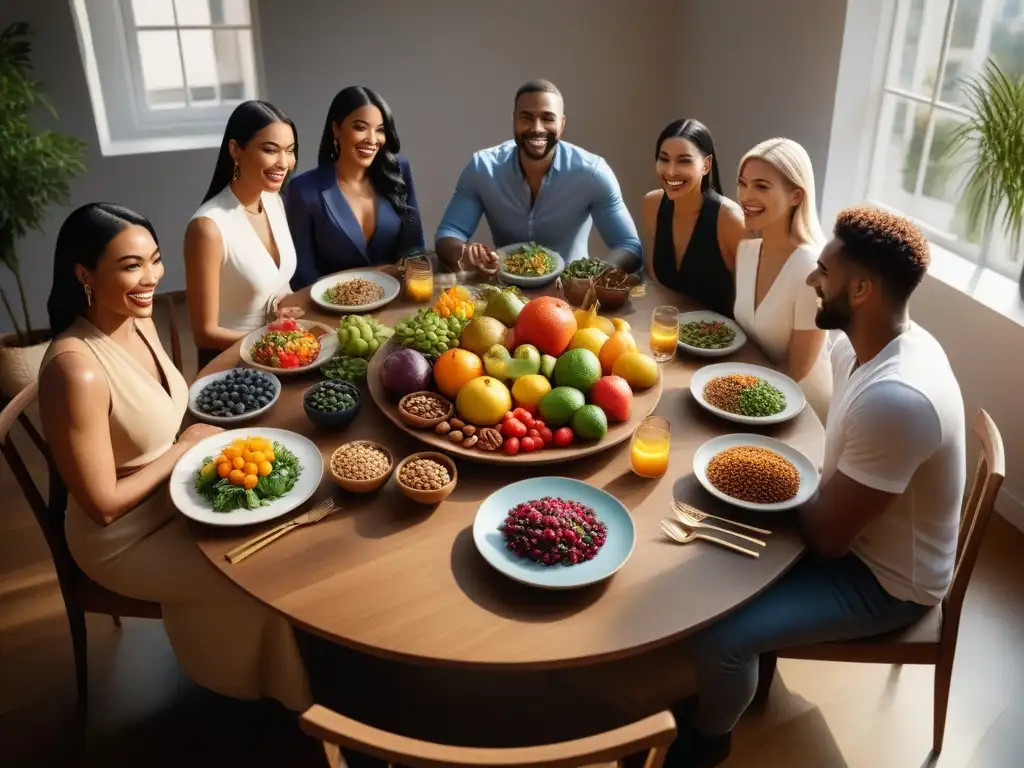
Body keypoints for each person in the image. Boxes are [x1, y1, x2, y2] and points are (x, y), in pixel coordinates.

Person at [673, 207, 966, 767]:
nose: (811, 278)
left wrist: (758, 483)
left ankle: (708, 739)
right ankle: (734, 682)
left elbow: (829, 540)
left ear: (860, 289)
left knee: (717, 634)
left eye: (823, 273)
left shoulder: (898, 398)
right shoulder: (873, 342)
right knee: (709, 558)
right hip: (854, 532)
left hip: (884, 581)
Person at [39, 203, 311, 712]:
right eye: (130, 265)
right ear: (85, 275)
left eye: (155, 260)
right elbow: (102, 505)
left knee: (284, 532)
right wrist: (186, 449)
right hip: (120, 538)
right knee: (248, 575)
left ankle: (295, 663)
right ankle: (274, 693)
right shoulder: (76, 371)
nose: (151, 278)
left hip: (175, 488)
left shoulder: (132, 319)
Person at [434, 79, 641, 275]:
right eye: (526, 118)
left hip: (570, 293)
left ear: (562, 123)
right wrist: (464, 254)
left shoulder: (593, 173)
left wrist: (595, 276)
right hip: (504, 290)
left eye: (547, 118)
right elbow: (448, 233)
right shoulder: (482, 168)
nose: (537, 128)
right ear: (513, 120)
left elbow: (629, 246)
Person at [185, 100, 300, 371]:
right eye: (270, 150)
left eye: (290, 151)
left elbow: (278, 286)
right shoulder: (208, 227)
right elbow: (204, 334)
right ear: (236, 150)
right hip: (233, 368)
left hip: (279, 355)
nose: (284, 163)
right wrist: (273, 338)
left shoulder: (273, 199)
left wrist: (285, 313)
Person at [285, 85, 425, 290]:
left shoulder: (397, 171)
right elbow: (303, 275)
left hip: (397, 301)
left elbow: (414, 249)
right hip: (332, 312)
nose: (372, 139)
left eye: (380, 130)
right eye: (360, 127)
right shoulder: (304, 190)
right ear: (336, 129)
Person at [734, 138, 832, 420]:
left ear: (796, 196)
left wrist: (731, 397)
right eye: (743, 183)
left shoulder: (810, 269)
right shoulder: (747, 251)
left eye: (761, 186)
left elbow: (797, 370)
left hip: (802, 415)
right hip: (756, 395)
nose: (746, 196)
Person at [643, 119, 746, 318]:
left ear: (706, 165)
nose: (671, 171)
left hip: (720, 340)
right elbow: (655, 281)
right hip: (668, 332)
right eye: (664, 159)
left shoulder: (731, 220)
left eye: (684, 161)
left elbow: (748, 304)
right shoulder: (651, 204)